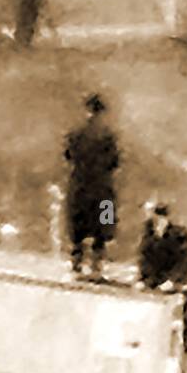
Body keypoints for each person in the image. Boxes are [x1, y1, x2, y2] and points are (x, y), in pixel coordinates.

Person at [63, 94, 120, 280]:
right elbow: (115, 162)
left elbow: (68, 156)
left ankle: (77, 263)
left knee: (78, 226)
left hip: (80, 185)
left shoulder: (76, 134)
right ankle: (97, 266)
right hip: (103, 187)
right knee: (103, 226)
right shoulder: (109, 137)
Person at [138, 201, 187, 355]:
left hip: (174, 285)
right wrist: (143, 280)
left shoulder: (179, 235)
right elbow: (144, 259)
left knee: (183, 317)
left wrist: (172, 281)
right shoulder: (148, 234)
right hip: (153, 284)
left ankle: (185, 351)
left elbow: (185, 262)